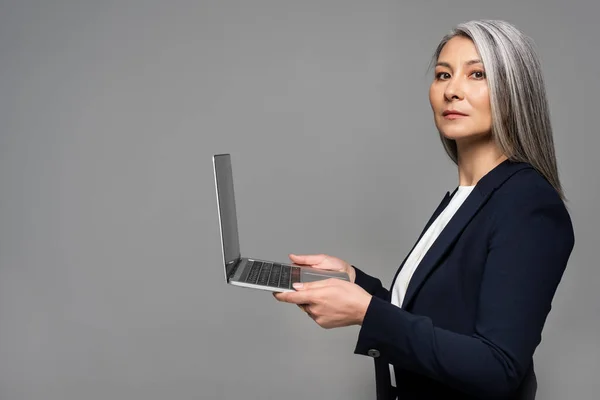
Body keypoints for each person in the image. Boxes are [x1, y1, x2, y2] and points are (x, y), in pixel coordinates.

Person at [273, 19, 575, 400]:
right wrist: (355, 283)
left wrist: (367, 313)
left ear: (514, 91)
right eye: (443, 75)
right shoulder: (468, 197)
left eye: (477, 74)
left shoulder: (529, 206)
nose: (452, 90)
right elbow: (437, 319)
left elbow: (497, 368)